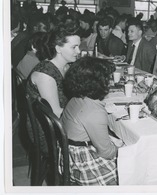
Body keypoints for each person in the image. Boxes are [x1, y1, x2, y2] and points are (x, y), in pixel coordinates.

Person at [61, 56, 119, 185]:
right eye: (108, 78)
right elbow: (107, 153)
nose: (111, 82)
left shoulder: (76, 97)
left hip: (68, 153)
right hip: (83, 163)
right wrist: (122, 147)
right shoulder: (95, 112)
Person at [27, 29, 81, 117]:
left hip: (68, 114)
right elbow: (56, 113)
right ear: (58, 49)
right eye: (74, 47)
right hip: (51, 127)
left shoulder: (67, 66)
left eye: (79, 46)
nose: (78, 51)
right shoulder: (45, 75)